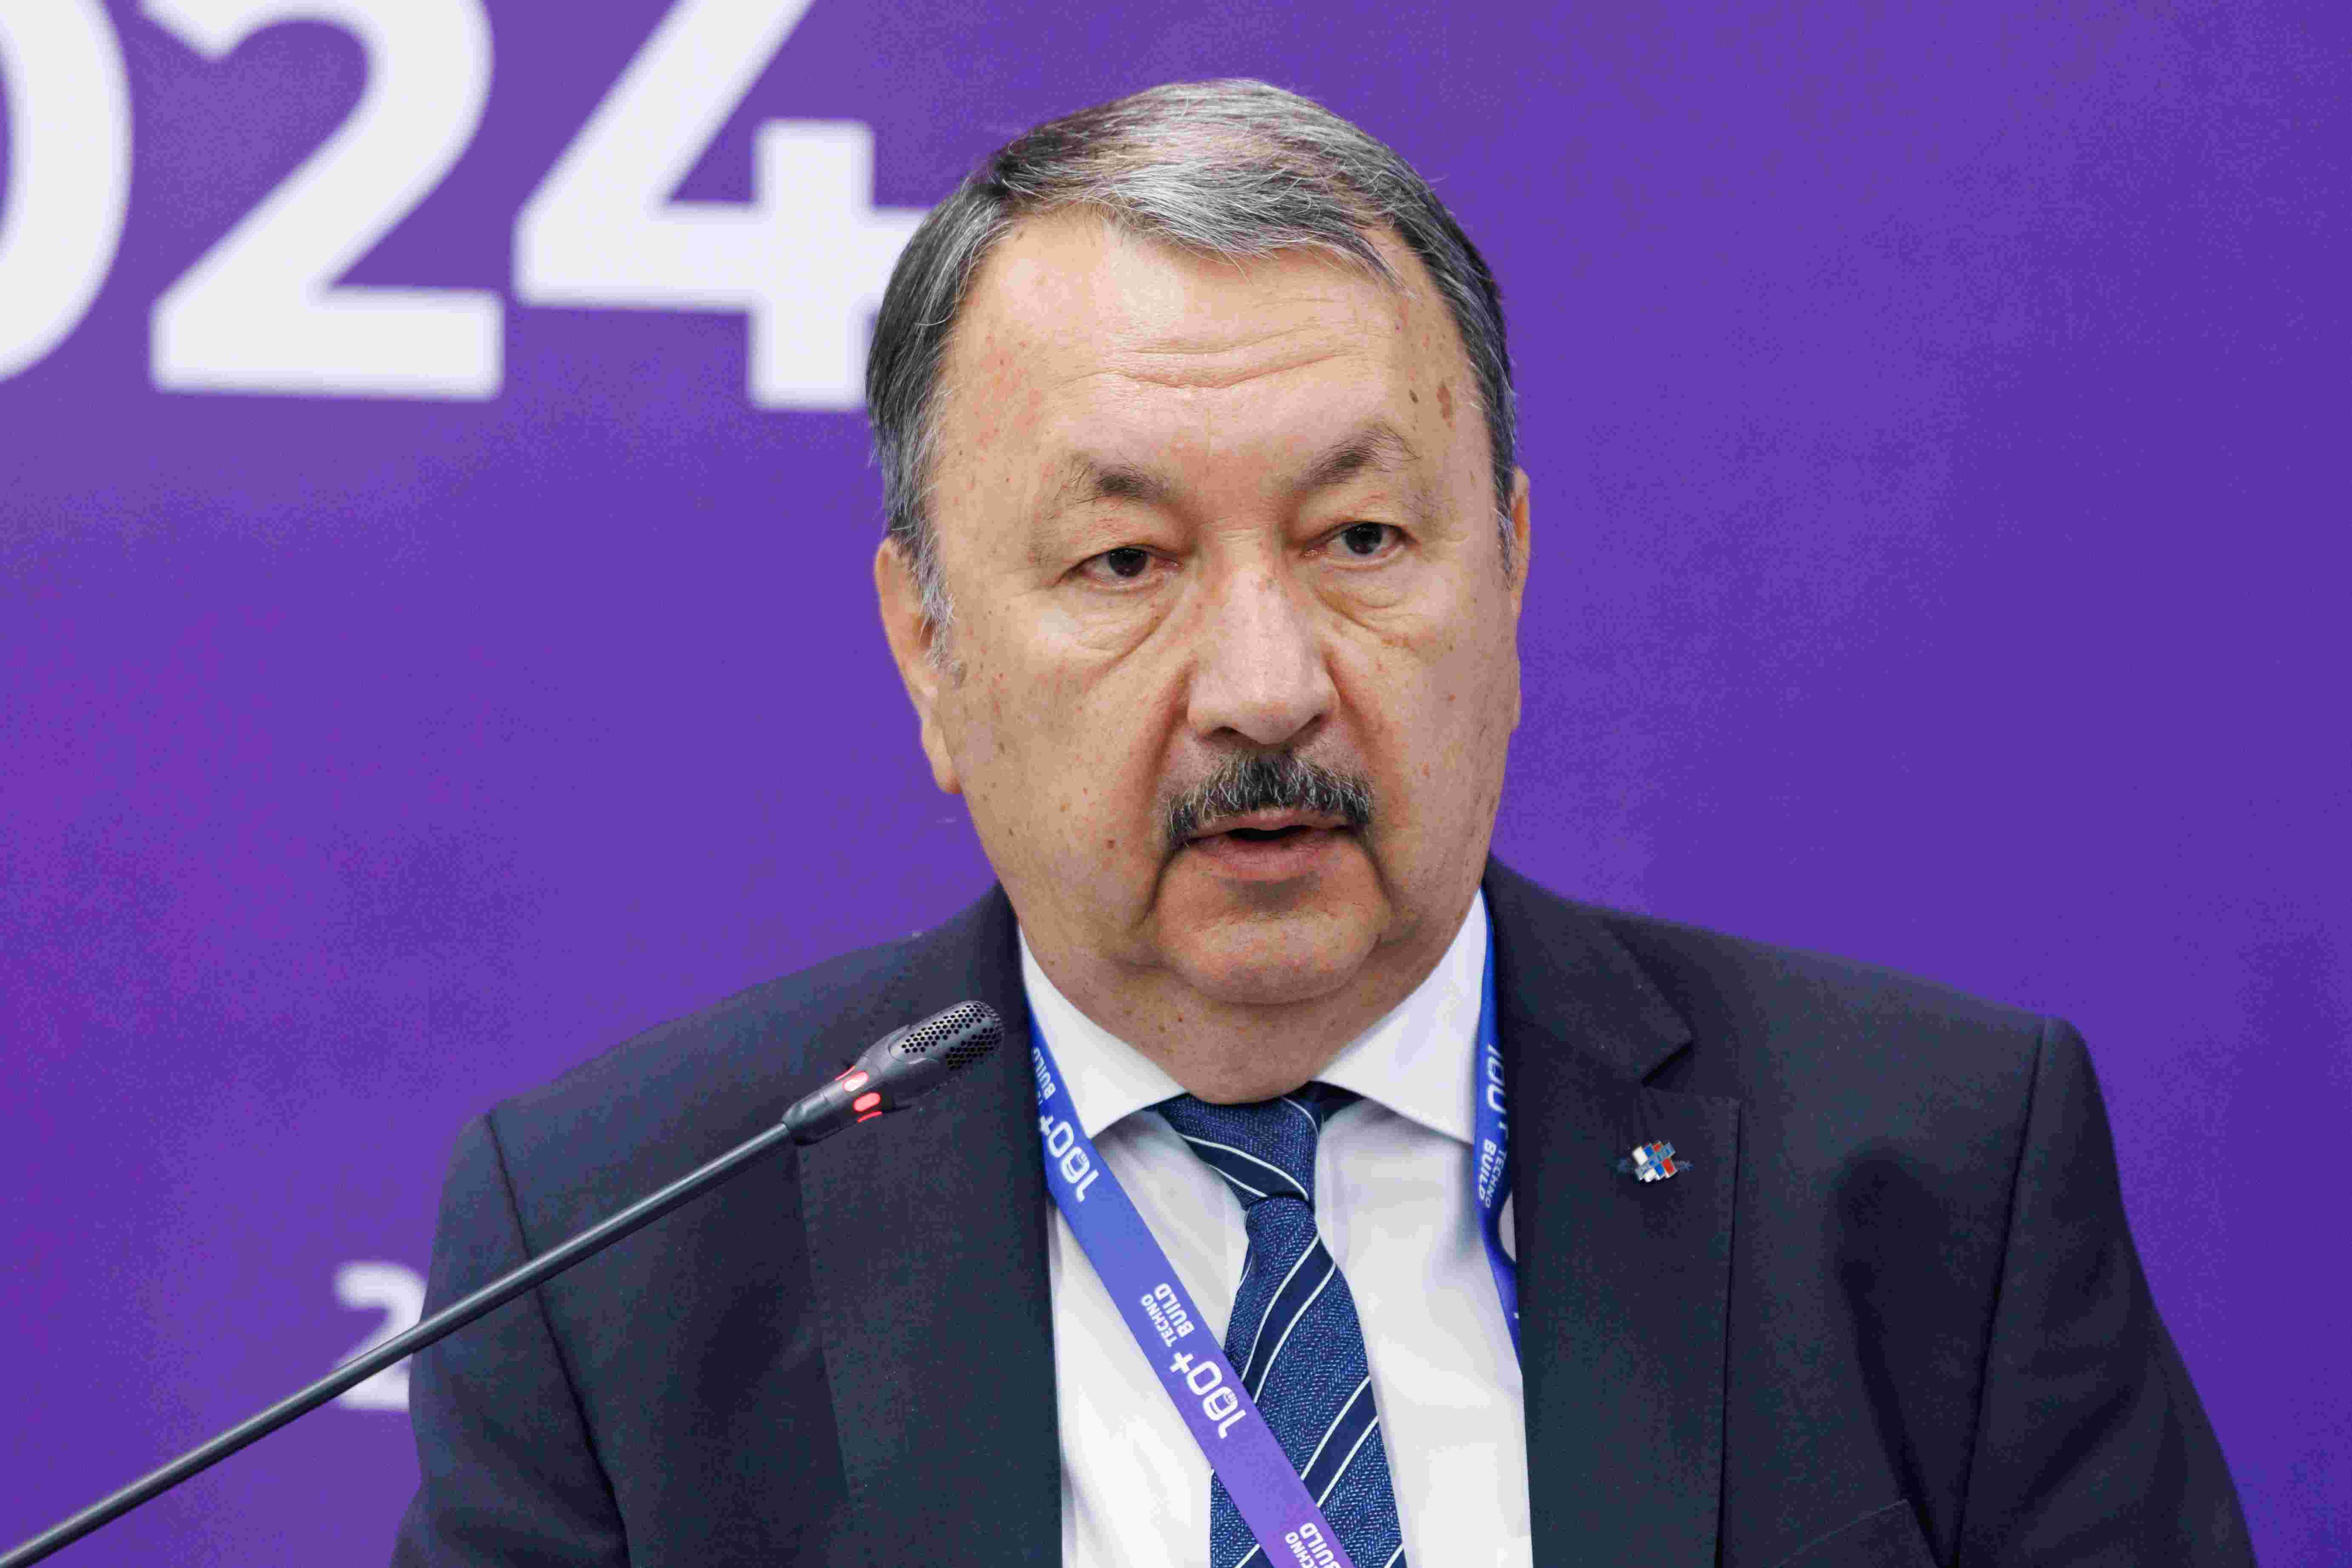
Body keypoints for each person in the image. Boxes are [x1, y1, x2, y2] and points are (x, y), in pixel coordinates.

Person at [393, 80, 2254, 1568]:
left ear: (1508, 571)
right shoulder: (618, 1255)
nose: (1265, 686)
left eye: (1360, 538)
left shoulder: (1931, 1171)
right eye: (1126, 561)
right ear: (929, 649)